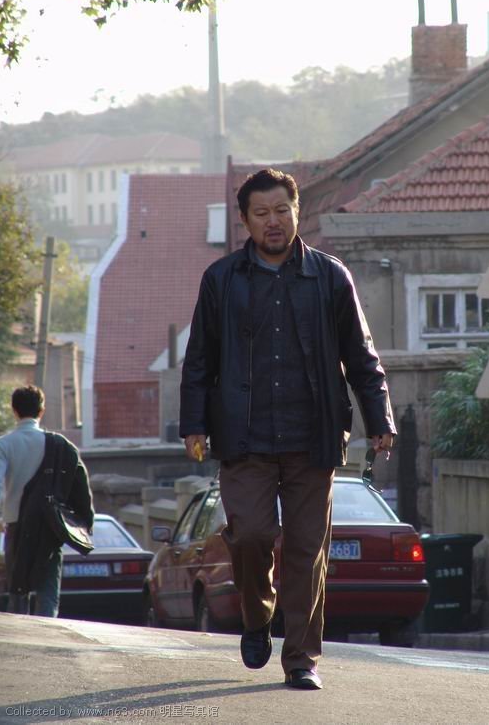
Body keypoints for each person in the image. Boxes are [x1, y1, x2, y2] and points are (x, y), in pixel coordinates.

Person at [180, 168, 395, 690]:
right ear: (245, 221)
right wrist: (194, 425)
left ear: (298, 212)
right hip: (244, 438)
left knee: (306, 553)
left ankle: (301, 659)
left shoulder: (330, 276)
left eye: (282, 210)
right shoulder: (221, 279)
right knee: (251, 535)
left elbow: (361, 355)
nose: (273, 221)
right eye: (261, 213)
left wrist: (379, 418)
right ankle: (257, 616)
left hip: (312, 438)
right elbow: (199, 358)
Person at [0, 385, 94, 617]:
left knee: (18, 587)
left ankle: (20, 634)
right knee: (48, 591)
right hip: (50, 524)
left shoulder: (4, 444)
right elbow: (81, 487)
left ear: (14, 410)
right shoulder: (60, 445)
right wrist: (84, 522)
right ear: (42, 411)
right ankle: (48, 631)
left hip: (16, 524)